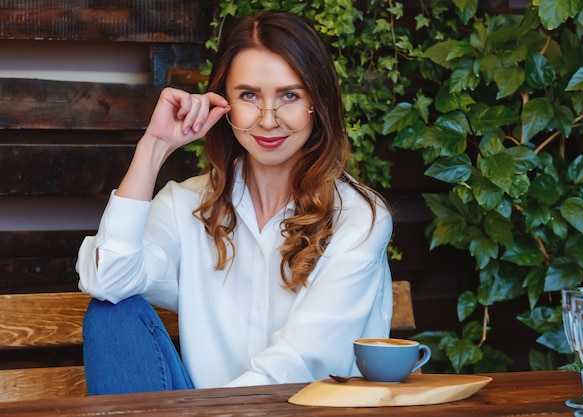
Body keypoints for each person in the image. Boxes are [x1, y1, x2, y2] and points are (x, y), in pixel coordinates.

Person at [76, 10, 393, 395]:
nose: (268, 119)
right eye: (249, 96)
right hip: (204, 406)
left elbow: (302, 363)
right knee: (112, 314)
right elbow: (106, 279)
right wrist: (154, 147)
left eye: (289, 95)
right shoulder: (185, 205)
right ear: (223, 104)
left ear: (318, 103)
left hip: (300, 407)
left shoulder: (358, 217)